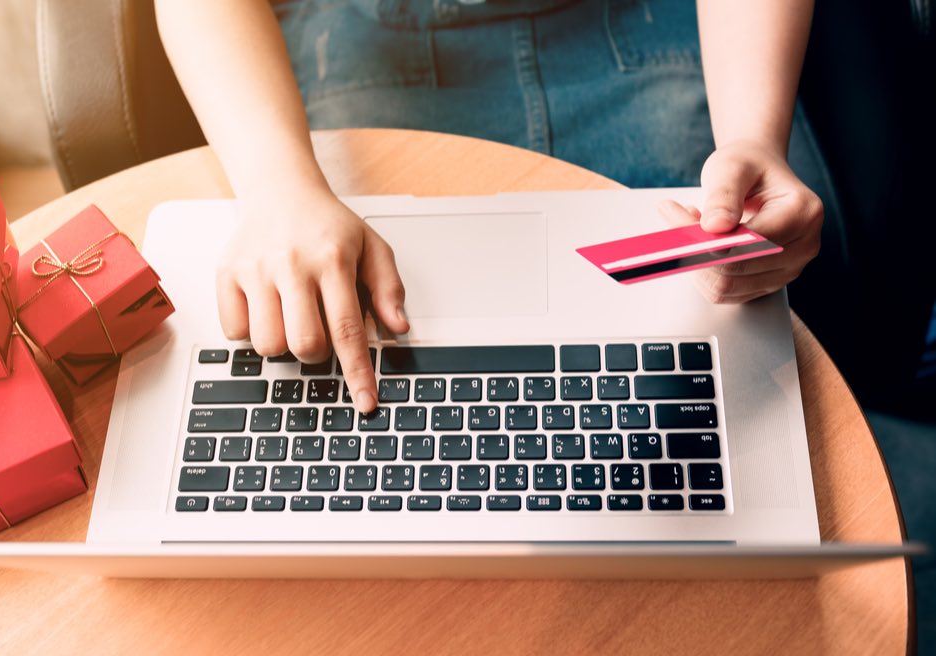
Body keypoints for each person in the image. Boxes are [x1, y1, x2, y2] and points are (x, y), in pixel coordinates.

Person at [154, 0, 827, 415]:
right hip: (364, 36)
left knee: (716, 363)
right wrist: (278, 187)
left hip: (642, 26)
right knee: (357, 352)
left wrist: (752, 135)